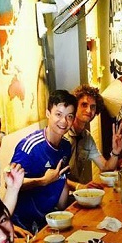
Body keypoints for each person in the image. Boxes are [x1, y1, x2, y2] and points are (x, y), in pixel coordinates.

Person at [10, 90, 76, 232]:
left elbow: (61, 181)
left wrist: (64, 212)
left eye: (69, 116)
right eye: (58, 114)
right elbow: (11, 183)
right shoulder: (30, 146)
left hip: (49, 218)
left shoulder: (65, 146)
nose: (64, 121)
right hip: (23, 223)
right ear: (48, 113)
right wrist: (43, 181)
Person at [65, 84, 122, 189]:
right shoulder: (63, 133)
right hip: (57, 196)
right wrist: (79, 187)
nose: (88, 110)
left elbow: (105, 168)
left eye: (93, 107)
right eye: (84, 105)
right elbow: (55, 176)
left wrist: (115, 152)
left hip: (75, 194)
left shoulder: (87, 137)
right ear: (74, 106)